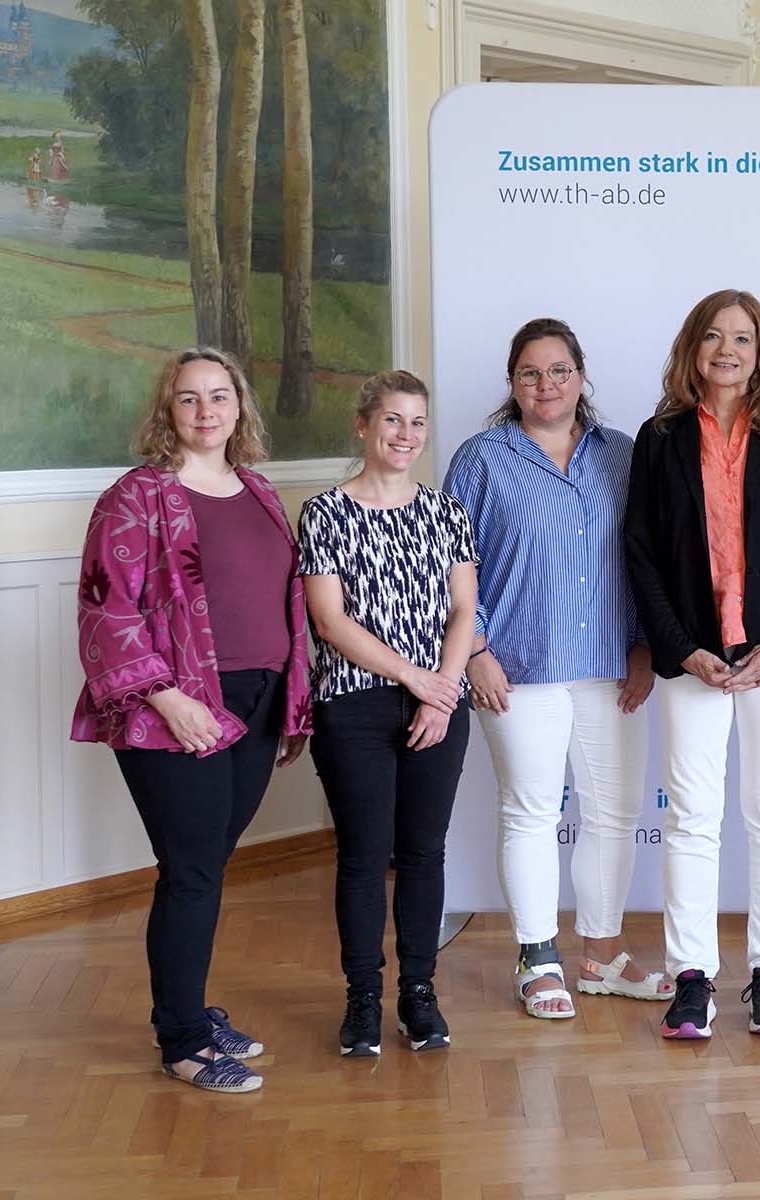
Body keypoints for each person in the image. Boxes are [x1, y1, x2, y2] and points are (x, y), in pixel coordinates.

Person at [70, 347, 312, 1094]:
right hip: (175, 709)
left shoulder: (261, 491)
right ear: (167, 411)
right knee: (193, 871)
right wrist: (168, 699)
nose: (206, 411)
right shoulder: (137, 495)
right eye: (188, 399)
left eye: (219, 396)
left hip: (259, 701)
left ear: (240, 406)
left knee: (203, 867)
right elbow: (105, 608)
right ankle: (181, 1041)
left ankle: (190, 1009)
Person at [624, 290, 760, 1039]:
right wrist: (680, 646)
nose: (727, 350)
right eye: (713, 337)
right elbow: (642, 552)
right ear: (693, 348)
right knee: (691, 818)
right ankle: (692, 978)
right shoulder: (660, 436)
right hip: (696, 655)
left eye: (743, 338)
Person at [444, 318, 668, 1020]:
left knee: (613, 813)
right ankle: (538, 960)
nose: (547, 385)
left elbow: (644, 559)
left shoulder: (623, 456)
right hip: (518, 669)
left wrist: (643, 646)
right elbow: (451, 566)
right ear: (513, 384)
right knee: (533, 813)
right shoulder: (482, 459)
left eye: (559, 370)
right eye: (531, 373)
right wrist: (474, 652)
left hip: (609, 665)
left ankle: (602, 957)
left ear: (581, 376)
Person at [300, 371, 478, 1056]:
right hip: (353, 704)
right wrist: (417, 679)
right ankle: (363, 999)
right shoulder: (325, 513)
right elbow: (329, 619)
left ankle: (419, 994)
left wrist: (446, 688)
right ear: (364, 425)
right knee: (364, 856)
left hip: (439, 698)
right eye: (394, 421)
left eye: (418, 423)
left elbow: (464, 609)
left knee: (424, 853)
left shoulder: (445, 513)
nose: (407, 435)